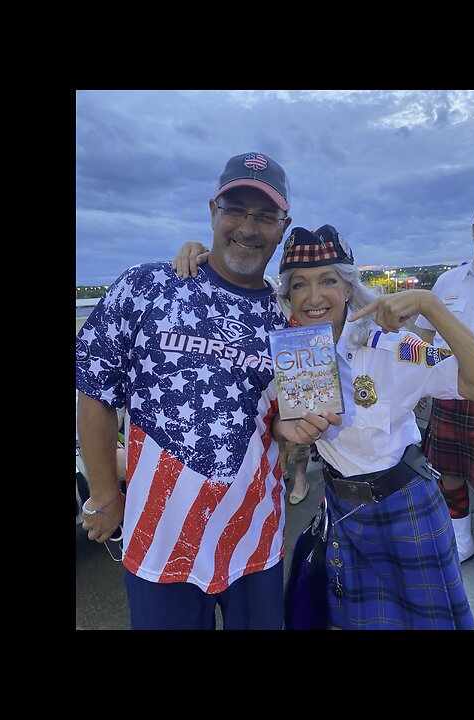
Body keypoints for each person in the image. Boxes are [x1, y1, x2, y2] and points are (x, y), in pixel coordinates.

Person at [76, 151, 338, 630]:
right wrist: (103, 494)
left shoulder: (290, 320)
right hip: (158, 543)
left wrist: (297, 428)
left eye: (264, 216)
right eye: (235, 209)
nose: (248, 226)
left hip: (253, 544)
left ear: (284, 226)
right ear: (212, 211)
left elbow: (281, 419)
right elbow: (93, 389)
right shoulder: (147, 287)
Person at [174, 224, 474, 630]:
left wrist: (429, 304)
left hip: (405, 510)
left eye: (329, 280)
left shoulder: (391, 348)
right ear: (287, 297)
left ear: (349, 287)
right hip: (341, 510)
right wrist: (201, 255)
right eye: (300, 285)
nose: (314, 297)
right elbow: (234, 279)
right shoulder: (291, 347)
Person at [415, 203, 474, 562]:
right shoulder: (447, 282)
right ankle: (461, 541)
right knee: (448, 472)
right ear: (473, 230)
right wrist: (418, 383)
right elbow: (424, 337)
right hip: (446, 393)